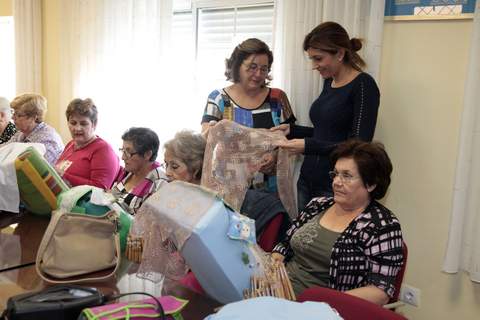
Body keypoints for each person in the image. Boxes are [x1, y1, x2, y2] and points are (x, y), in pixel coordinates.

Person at [271, 140, 403, 305]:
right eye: (335, 174)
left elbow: (380, 291)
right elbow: (285, 243)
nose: (336, 182)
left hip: (323, 309)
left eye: (346, 176)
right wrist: (275, 260)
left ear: (371, 184)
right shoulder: (318, 205)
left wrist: (324, 302)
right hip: (276, 291)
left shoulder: (383, 226)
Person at [273, 22, 380, 212]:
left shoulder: (363, 85)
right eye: (312, 59)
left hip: (335, 186)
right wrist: (293, 130)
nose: (314, 66)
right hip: (307, 180)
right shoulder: (329, 82)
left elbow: (358, 145)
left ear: (339, 53)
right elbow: (327, 132)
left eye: (318, 59)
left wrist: (307, 146)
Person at [201, 38, 296, 192]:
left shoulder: (277, 97)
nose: (258, 74)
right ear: (237, 66)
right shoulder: (218, 98)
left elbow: (291, 135)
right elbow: (206, 134)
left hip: (269, 185)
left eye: (264, 69)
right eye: (252, 67)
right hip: (228, 185)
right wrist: (211, 132)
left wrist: (275, 156)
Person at [55, 98, 119, 189]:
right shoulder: (71, 144)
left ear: (94, 124)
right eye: (73, 123)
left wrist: (63, 176)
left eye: (83, 124)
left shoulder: (103, 150)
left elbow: (100, 188)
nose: (77, 128)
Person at [111, 127, 168, 215]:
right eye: (123, 150)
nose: (123, 157)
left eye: (128, 152)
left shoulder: (160, 182)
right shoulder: (128, 171)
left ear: (147, 155)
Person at [9, 93, 64, 164]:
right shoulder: (21, 133)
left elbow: (38, 170)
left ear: (34, 117)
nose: (12, 118)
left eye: (19, 115)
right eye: (13, 113)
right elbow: (4, 151)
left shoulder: (47, 139)